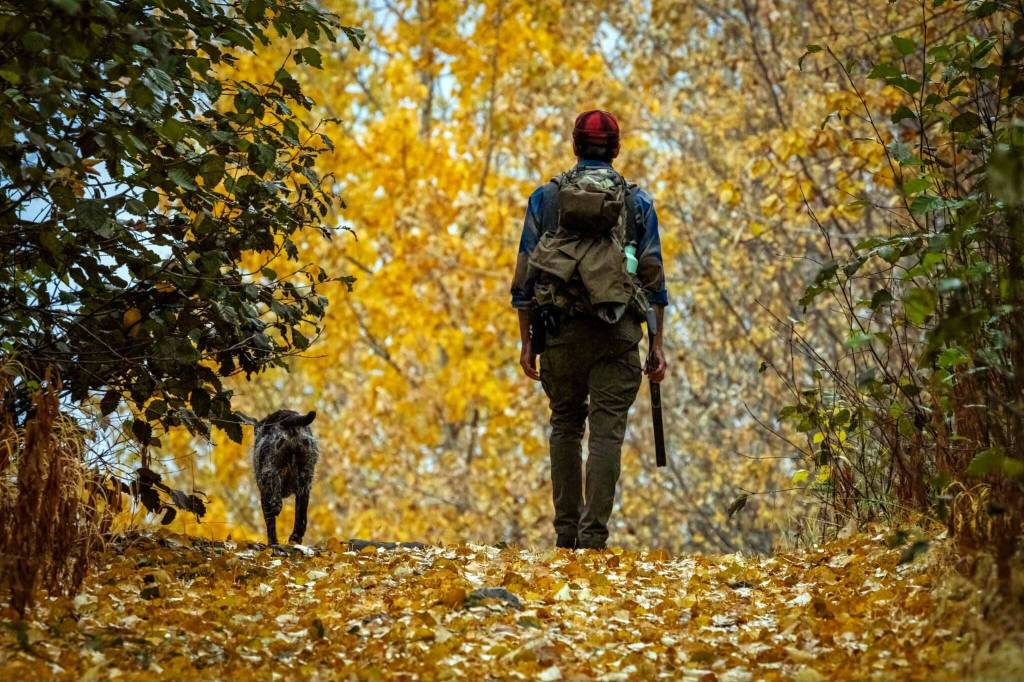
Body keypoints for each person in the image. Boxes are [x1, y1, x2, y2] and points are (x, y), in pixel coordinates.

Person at [510, 110, 668, 550]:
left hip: (558, 331)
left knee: (564, 425)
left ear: (575, 145)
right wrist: (657, 344)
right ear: (615, 150)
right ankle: (593, 537)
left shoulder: (546, 198)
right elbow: (654, 280)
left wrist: (527, 342)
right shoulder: (637, 203)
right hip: (617, 335)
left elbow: (524, 276)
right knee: (606, 432)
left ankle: (566, 536)